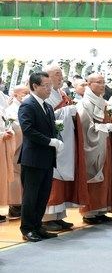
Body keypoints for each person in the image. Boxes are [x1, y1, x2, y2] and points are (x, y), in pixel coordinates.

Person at [42, 65, 88, 233]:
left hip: (65, 141)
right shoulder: (45, 96)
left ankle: (59, 216)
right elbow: (48, 116)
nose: (60, 77)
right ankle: (47, 218)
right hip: (53, 142)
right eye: (57, 74)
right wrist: (67, 110)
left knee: (62, 180)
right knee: (53, 179)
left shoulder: (61, 93)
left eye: (61, 74)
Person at [18, 72, 64, 242]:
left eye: (50, 85)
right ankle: (27, 228)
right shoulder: (28, 105)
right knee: (31, 196)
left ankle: (38, 226)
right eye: (45, 86)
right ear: (35, 86)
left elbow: (51, 129)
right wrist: (49, 142)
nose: (49, 89)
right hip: (33, 158)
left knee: (43, 195)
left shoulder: (47, 106)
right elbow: (28, 130)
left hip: (46, 157)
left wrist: (56, 141)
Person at [77, 73, 112, 224]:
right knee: (93, 176)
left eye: (103, 82)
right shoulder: (85, 103)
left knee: (106, 175)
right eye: (98, 82)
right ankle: (89, 212)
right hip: (93, 144)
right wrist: (103, 127)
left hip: (104, 142)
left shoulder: (103, 101)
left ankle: (101, 209)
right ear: (89, 84)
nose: (102, 85)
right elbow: (83, 126)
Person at [5, 85, 29, 219]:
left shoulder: (25, 106)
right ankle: (15, 205)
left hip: (25, 145)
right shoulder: (11, 109)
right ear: (15, 94)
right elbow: (15, 126)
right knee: (15, 175)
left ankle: (21, 204)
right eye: (24, 93)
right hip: (16, 146)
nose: (26, 95)